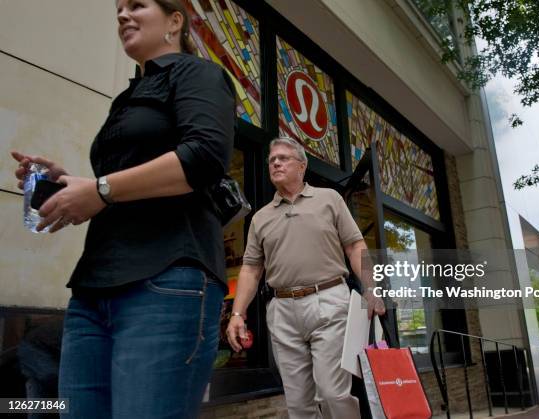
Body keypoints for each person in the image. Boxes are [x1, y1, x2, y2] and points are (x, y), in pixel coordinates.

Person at [11, 0, 235, 417]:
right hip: (93, 290)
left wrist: (99, 189)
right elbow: (116, 188)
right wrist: (66, 183)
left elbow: (204, 156)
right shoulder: (128, 97)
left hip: (167, 279)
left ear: (174, 20)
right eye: (118, 9)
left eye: (137, 5)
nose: (122, 15)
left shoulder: (199, 74)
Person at [226, 137, 386, 419]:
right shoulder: (261, 218)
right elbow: (251, 269)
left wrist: (371, 289)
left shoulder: (329, 199)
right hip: (283, 310)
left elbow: (355, 246)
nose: (275, 162)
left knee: (332, 393)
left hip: (330, 300)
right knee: (298, 403)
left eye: (283, 158)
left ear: (302, 165)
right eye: (272, 159)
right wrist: (237, 313)